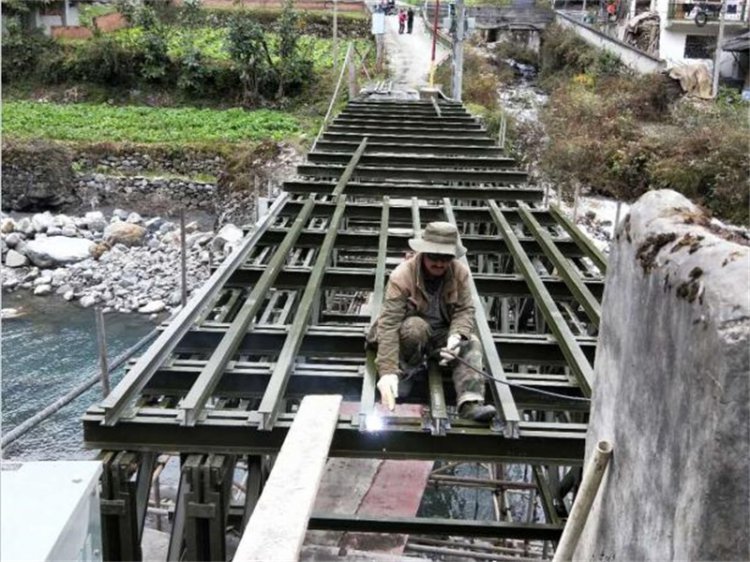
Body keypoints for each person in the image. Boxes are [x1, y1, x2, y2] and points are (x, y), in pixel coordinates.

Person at [368, 222, 497, 422]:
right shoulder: (402, 276)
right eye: (434, 258)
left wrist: (456, 336)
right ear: (423, 253)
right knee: (415, 328)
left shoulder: (460, 273)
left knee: (471, 342)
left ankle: (470, 403)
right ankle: (406, 372)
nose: (439, 264)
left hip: (440, 334)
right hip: (410, 334)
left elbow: (464, 310)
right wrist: (387, 372)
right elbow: (388, 325)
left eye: (445, 258)